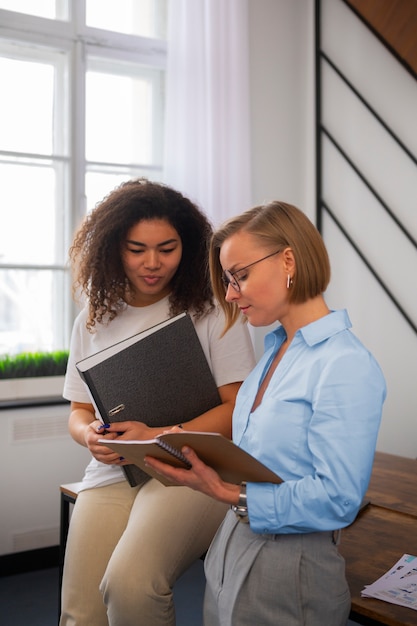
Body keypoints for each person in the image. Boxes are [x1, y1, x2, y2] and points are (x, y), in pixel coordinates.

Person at [144, 201, 387, 626]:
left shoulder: (344, 363)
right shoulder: (272, 354)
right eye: (227, 280)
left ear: (288, 260)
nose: (232, 294)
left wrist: (229, 494)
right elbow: (261, 460)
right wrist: (197, 466)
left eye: (239, 275)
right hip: (232, 548)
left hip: (291, 572)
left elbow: (338, 498)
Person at [60, 178, 256, 626]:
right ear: (114, 248)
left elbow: (236, 407)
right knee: (80, 611)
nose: (153, 263)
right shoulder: (93, 317)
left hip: (195, 466)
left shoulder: (212, 309)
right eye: (137, 249)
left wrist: (157, 435)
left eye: (167, 249)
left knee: (131, 585)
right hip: (115, 470)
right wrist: (88, 436)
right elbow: (78, 412)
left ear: (187, 247)